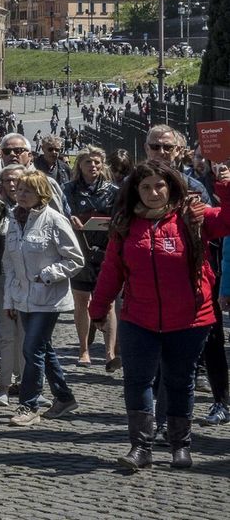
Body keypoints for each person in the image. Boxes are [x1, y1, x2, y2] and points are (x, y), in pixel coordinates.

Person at [91, 162, 230, 471]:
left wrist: (225, 187)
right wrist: (98, 308)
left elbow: (228, 220)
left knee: (180, 381)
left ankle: (181, 445)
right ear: (135, 190)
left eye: (159, 186)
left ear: (171, 187)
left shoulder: (192, 216)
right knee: (137, 381)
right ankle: (140, 447)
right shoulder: (125, 223)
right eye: (145, 187)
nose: (153, 193)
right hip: (139, 318)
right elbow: (112, 270)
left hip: (190, 319)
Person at [3, 169, 84, 426]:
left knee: (32, 349)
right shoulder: (13, 220)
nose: (21, 194)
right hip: (23, 297)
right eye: (19, 190)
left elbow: (75, 259)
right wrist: (9, 300)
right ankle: (64, 396)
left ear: (42, 194)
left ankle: (29, 404)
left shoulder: (55, 220)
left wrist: (49, 274)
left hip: (48, 298)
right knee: (42, 349)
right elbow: (10, 264)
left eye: (27, 190)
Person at [64, 145, 119, 370]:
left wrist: (111, 223)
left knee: (109, 303)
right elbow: (62, 212)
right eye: (88, 162)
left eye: (97, 162)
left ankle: (109, 353)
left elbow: (120, 216)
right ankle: (83, 349)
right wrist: (71, 220)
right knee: (81, 301)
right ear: (80, 165)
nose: (93, 166)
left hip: (105, 249)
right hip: (80, 250)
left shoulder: (113, 190)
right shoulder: (69, 189)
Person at [0, 164, 28, 408]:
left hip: (26, 276)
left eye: (16, 181)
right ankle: (3, 385)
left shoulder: (33, 206)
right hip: (0, 275)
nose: (12, 185)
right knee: (6, 333)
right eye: (7, 181)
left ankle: (26, 383)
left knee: (25, 334)